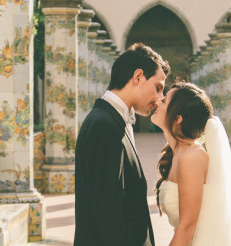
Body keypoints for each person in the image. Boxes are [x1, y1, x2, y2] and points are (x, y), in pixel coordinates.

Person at [74, 43, 170, 246]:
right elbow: (108, 214)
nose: (160, 98)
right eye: (158, 87)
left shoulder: (115, 120)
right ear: (137, 77)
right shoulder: (104, 125)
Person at [151, 82, 231, 246]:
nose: (157, 101)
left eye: (164, 100)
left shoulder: (192, 157)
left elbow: (188, 225)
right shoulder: (180, 153)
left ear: (177, 118)